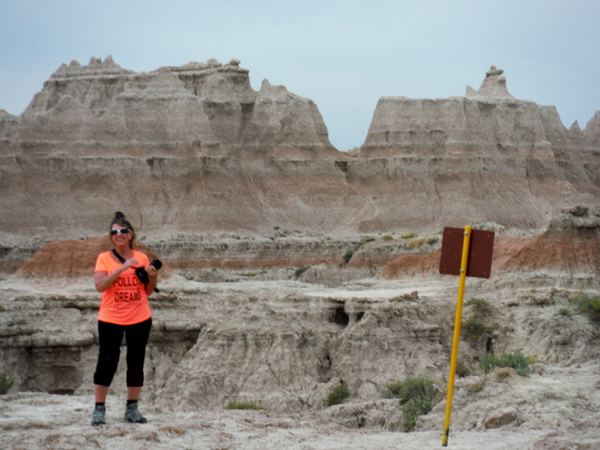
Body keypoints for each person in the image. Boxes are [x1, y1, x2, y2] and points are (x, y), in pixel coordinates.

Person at [91, 211, 158, 426]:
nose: (118, 234)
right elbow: (100, 286)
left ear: (131, 235)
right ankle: (99, 409)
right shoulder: (104, 258)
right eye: (114, 232)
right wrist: (122, 268)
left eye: (123, 231)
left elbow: (147, 291)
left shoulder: (142, 257)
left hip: (140, 317)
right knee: (107, 362)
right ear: (111, 237)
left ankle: (132, 407)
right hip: (111, 318)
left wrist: (153, 278)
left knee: (136, 363)